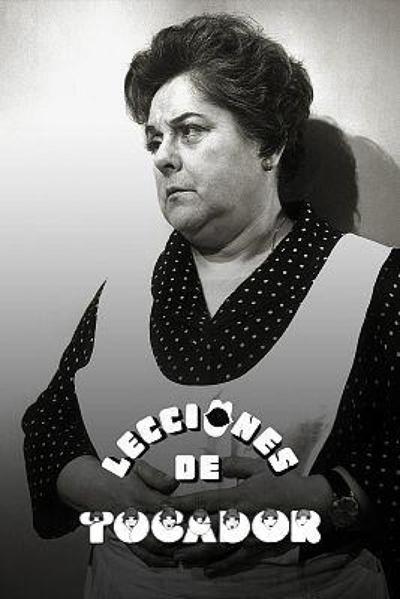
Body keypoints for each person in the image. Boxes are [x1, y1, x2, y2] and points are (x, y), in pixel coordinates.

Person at [22, 13, 400, 599]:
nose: (163, 157)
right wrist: (104, 491)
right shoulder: (124, 293)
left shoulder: (374, 282)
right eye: (154, 139)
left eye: (190, 131)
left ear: (268, 144)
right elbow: (49, 427)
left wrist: (324, 497)